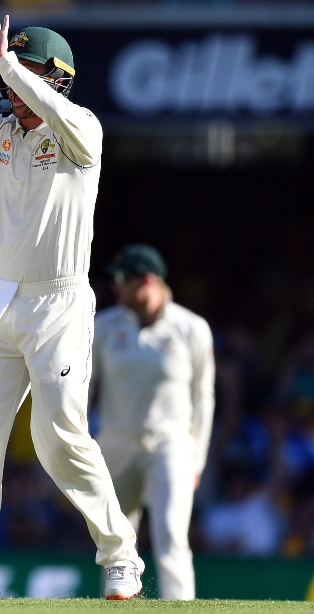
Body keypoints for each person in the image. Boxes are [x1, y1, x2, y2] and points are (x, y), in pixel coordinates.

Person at [0, 11, 144, 601]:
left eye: (27, 78)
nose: (13, 94)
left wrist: (6, 63)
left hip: (60, 303)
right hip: (0, 302)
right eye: (8, 83)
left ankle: (121, 555)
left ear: (57, 79)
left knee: (59, 439)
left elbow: (50, 106)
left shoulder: (80, 132)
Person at [93, 244, 215, 600]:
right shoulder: (104, 326)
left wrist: (199, 458)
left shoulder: (191, 328)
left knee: (172, 537)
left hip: (171, 445)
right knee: (114, 543)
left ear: (146, 280)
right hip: (115, 443)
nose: (114, 286)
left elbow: (203, 399)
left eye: (121, 279)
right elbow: (84, 390)